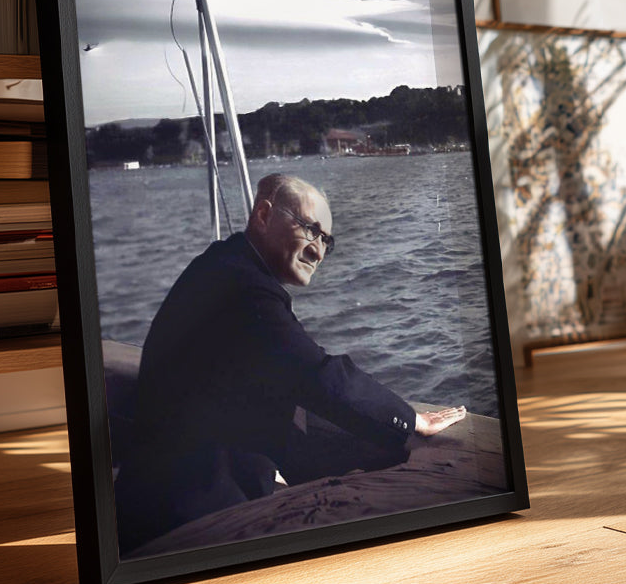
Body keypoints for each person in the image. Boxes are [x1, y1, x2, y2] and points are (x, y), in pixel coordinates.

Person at [114, 172, 466, 554]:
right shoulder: (244, 289)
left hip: (164, 490)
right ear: (264, 216)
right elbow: (314, 373)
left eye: (327, 240)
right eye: (311, 230)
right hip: (188, 511)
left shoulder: (224, 266)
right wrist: (413, 419)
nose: (319, 251)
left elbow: (273, 384)